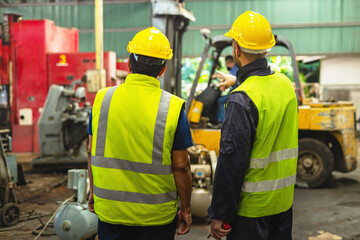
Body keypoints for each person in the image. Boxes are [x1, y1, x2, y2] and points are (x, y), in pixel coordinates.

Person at [87, 27, 193, 240]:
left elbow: (91, 152)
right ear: (162, 70)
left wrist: (93, 192)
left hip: (111, 212)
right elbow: (181, 166)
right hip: (156, 217)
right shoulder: (172, 108)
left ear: (128, 63)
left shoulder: (102, 100)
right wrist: (186, 208)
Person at [208, 11, 298, 240]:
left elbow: (231, 161)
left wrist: (220, 212)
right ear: (267, 49)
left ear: (236, 48)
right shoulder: (285, 85)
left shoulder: (241, 99)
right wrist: (237, 80)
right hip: (282, 205)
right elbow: (264, 89)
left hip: (251, 211)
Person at [215, 56, 239, 124]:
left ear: (228, 63)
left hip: (235, 93)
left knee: (220, 101)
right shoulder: (233, 69)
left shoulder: (235, 69)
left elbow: (233, 79)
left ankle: (222, 121)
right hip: (234, 92)